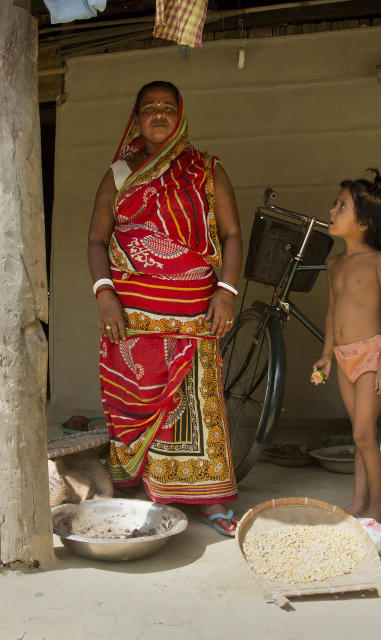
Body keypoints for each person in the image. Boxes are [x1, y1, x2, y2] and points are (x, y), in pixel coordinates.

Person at [86, 81, 243, 536]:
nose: (158, 114)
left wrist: (227, 291)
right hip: (130, 317)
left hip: (195, 314)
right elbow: (97, 240)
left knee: (195, 404)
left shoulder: (206, 170)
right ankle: (148, 487)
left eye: (167, 107)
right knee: (138, 401)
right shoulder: (118, 174)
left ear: (181, 116)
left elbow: (232, 235)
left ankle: (207, 496)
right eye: (149, 108)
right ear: (135, 120)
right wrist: (104, 293)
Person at [311, 171, 381, 536]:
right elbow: (332, 312)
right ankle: (359, 500)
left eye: (341, 206)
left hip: (371, 355)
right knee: (359, 433)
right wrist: (327, 353)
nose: (332, 210)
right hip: (345, 355)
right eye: (335, 204)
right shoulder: (335, 264)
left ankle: (378, 504)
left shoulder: (380, 262)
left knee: (365, 433)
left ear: (363, 222)